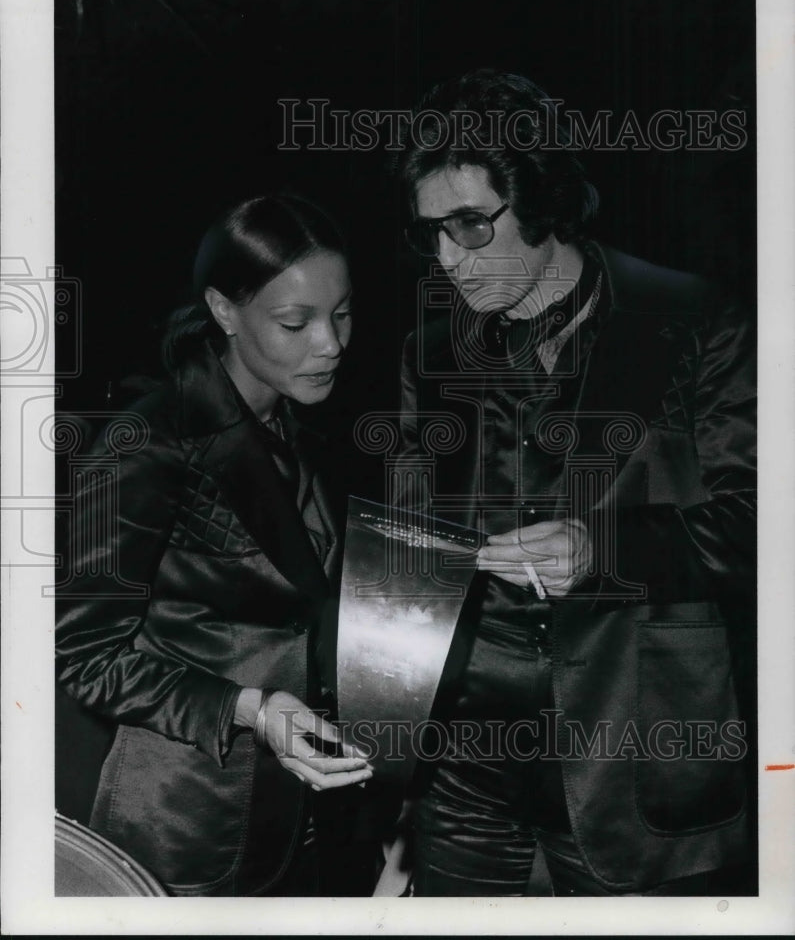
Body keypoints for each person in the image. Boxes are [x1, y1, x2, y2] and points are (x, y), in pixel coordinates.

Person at [390, 69, 755, 896]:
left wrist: (600, 551)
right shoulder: (432, 350)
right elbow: (410, 545)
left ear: (542, 202)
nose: (449, 260)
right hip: (463, 766)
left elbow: (760, 526)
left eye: (471, 226)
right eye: (430, 234)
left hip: (636, 753)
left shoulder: (695, 319)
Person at [56, 194, 376, 897]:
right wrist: (253, 708)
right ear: (225, 312)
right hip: (178, 830)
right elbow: (83, 658)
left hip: (297, 818)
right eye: (295, 322)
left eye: (343, 311)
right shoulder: (147, 446)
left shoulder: (302, 429)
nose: (331, 343)